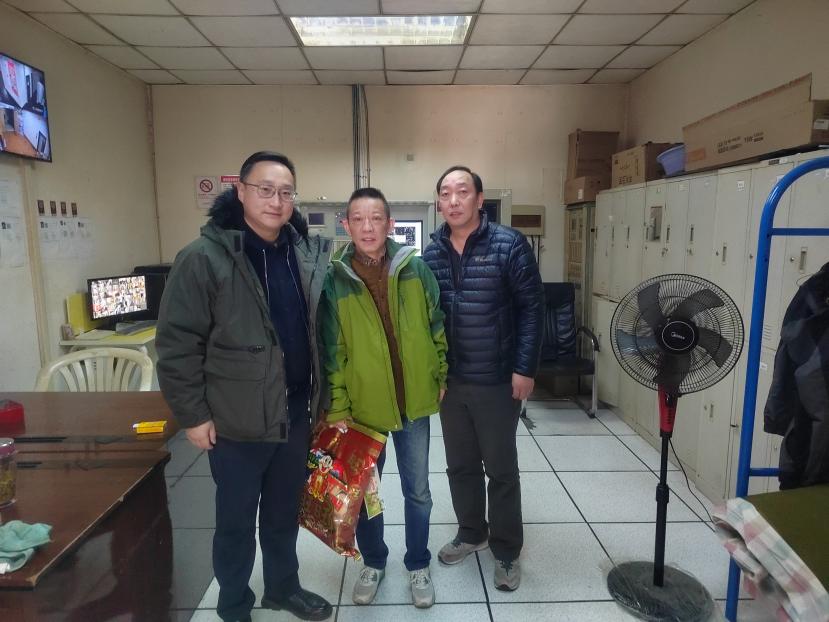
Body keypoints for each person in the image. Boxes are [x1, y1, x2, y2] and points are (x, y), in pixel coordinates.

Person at [155, 151, 333, 622]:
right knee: (235, 523)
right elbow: (177, 344)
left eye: (286, 192)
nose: (276, 201)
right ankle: (233, 605)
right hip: (236, 420)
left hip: (294, 412)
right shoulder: (204, 258)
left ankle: (283, 588)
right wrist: (193, 415)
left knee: (282, 513)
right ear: (241, 191)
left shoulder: (300, 253)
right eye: (265, 189)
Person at [320, 187, 448, 608]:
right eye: (358, 219)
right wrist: (339, 406)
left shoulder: (415, 268)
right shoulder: (336, 279)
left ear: (390, 223)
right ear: (346, 225)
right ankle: (374, 561)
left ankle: (418, 563)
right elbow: (333, 351)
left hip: (412, 403)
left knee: (418, 491)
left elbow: (436, 324)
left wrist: (439, 373)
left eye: (376, 218)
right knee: (365, 493)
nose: (368, 227)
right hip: (363, 409)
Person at [422, 165, 543, 592]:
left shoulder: (509, 244)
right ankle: (472, 531)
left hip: (497, 379)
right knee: (460, 465)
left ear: (478, 198)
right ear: (439, 202)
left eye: (462, 192)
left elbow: (532, 309)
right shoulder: (431, 254)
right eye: (445, 193)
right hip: (451, 383)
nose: (453, 200)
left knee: (501, 468)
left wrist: (525, 368)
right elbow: (426, 321)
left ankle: (506, 549)